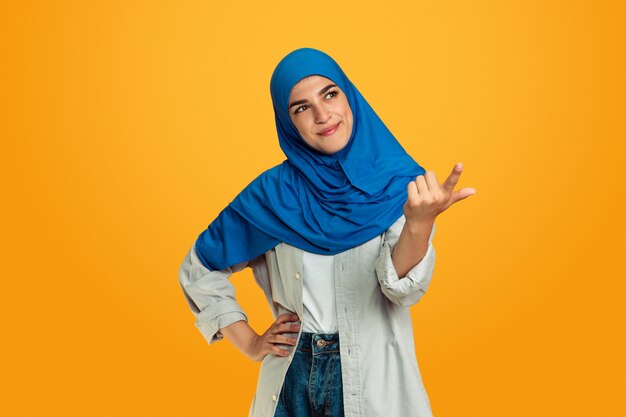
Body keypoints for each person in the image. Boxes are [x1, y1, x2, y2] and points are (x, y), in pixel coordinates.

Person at [178, 47, 476, 417]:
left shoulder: (400, 184)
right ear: (288, 123)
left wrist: (419, 224)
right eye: (301, 108)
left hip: (372, 382)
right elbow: (200, 268)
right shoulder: (272, 195)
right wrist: (250, 342)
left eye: (330, 94)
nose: (323, 115)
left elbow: (400, 290)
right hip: (290, 378)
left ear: (349, 96)